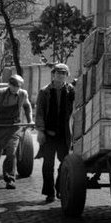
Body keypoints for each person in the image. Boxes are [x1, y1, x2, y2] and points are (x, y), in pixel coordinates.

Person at [35, 62, 75, 203]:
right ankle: (49, 192)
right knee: (48, 165)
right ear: (53, 74)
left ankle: (60, 187)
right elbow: (39, 113)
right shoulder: (44, 91)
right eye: (58, 73)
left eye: (63, 73)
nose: (60, 76)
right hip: (49, 134)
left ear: (67, 76)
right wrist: (40, 131)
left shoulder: (71, 91)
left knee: (64, 164)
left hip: (64, 134)